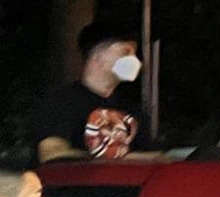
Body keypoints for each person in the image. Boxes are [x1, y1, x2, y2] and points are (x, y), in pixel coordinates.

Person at [31, 22, 143, 163]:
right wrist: (111, 155)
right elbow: (52, 154)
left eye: (134, 53)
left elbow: (149, 156)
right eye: (125, 52)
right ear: (97, 57)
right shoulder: (61, 102)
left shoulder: (132, 110)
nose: (134, 60)